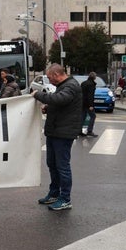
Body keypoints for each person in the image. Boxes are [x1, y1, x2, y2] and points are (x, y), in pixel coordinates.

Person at [32, 63, 82, 211]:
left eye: (49, 77)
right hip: (55, 131)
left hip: (63, 133)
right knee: (52, 164)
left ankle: (65, 199)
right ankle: (54, 193)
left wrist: (37, 94)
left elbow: (59, 99)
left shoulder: (71, 86)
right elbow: (61, 104)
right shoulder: (65, 85)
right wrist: (49, 108)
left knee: (62, 167)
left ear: (56, 75)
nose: (49, 80)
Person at [80, 72, 98, 137]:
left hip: (82, 102)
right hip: (88, 103)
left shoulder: (83, 83)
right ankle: (89, 131)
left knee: (83, 116)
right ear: (94, 77)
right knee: (93, 116)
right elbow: (90, 95)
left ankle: (79, 131)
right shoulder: (91, 84)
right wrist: (91, 105)